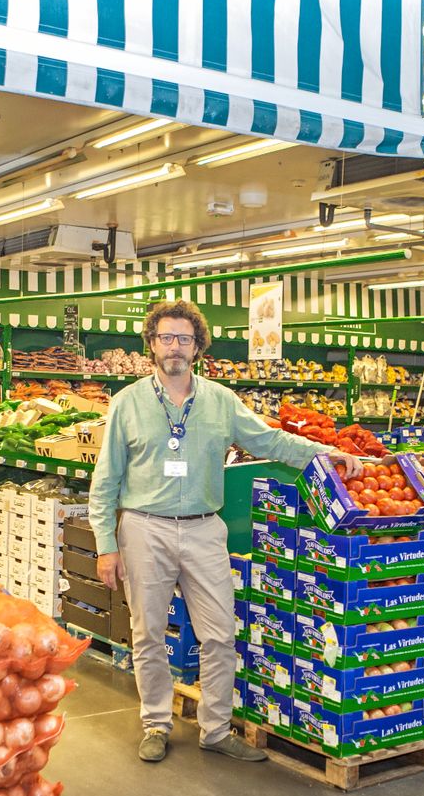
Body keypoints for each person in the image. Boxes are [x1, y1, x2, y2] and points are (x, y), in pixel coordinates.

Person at [89, 299, 361, 764]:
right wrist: (105, 545)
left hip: (203, 529)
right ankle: (155, 723)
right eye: (166, 338)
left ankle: (215, 728)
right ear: (151, 344)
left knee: (219, 634)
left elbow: (271, 440)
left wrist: (324, 453)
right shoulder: (127, 404)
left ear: (198, 347)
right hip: (143, 528)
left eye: (185, 339)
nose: (175, 347)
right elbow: (105, 480)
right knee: (149, 634)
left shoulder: (221, 401)